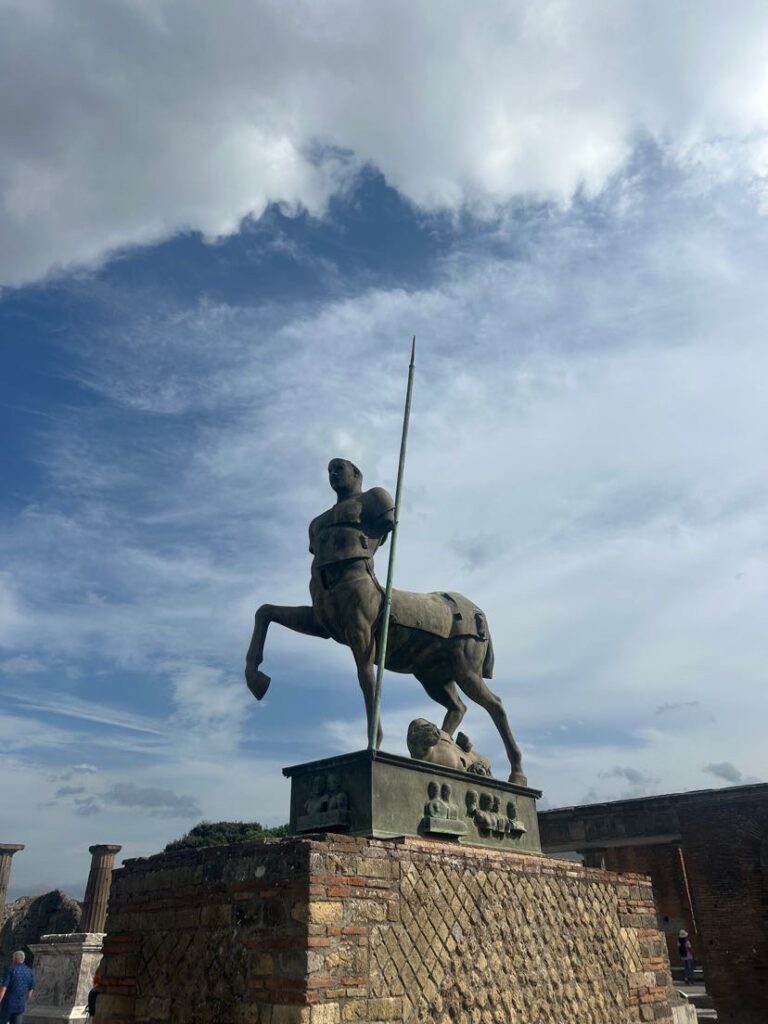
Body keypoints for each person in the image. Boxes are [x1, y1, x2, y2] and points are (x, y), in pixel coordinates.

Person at [0, 950, 34, 1024]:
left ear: (14, 959)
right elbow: (30, 990)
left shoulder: (10, 970)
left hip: (8, 1004)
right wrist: (25, 1000)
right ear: (23, 959)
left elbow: (4, 987)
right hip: (20, 1005)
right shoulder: (29, 971)